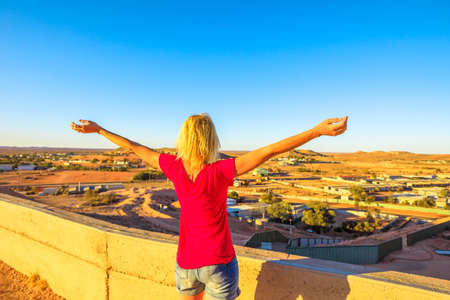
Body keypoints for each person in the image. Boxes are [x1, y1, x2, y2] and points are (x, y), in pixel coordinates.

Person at [71, 114, 348, 300]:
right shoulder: (221, 171)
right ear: (210, 138)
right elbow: (270, 151)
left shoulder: (173, 167)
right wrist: (316, 132)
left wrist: (99, 130)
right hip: (218, 262)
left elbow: (135, 147)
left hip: (186, 264)